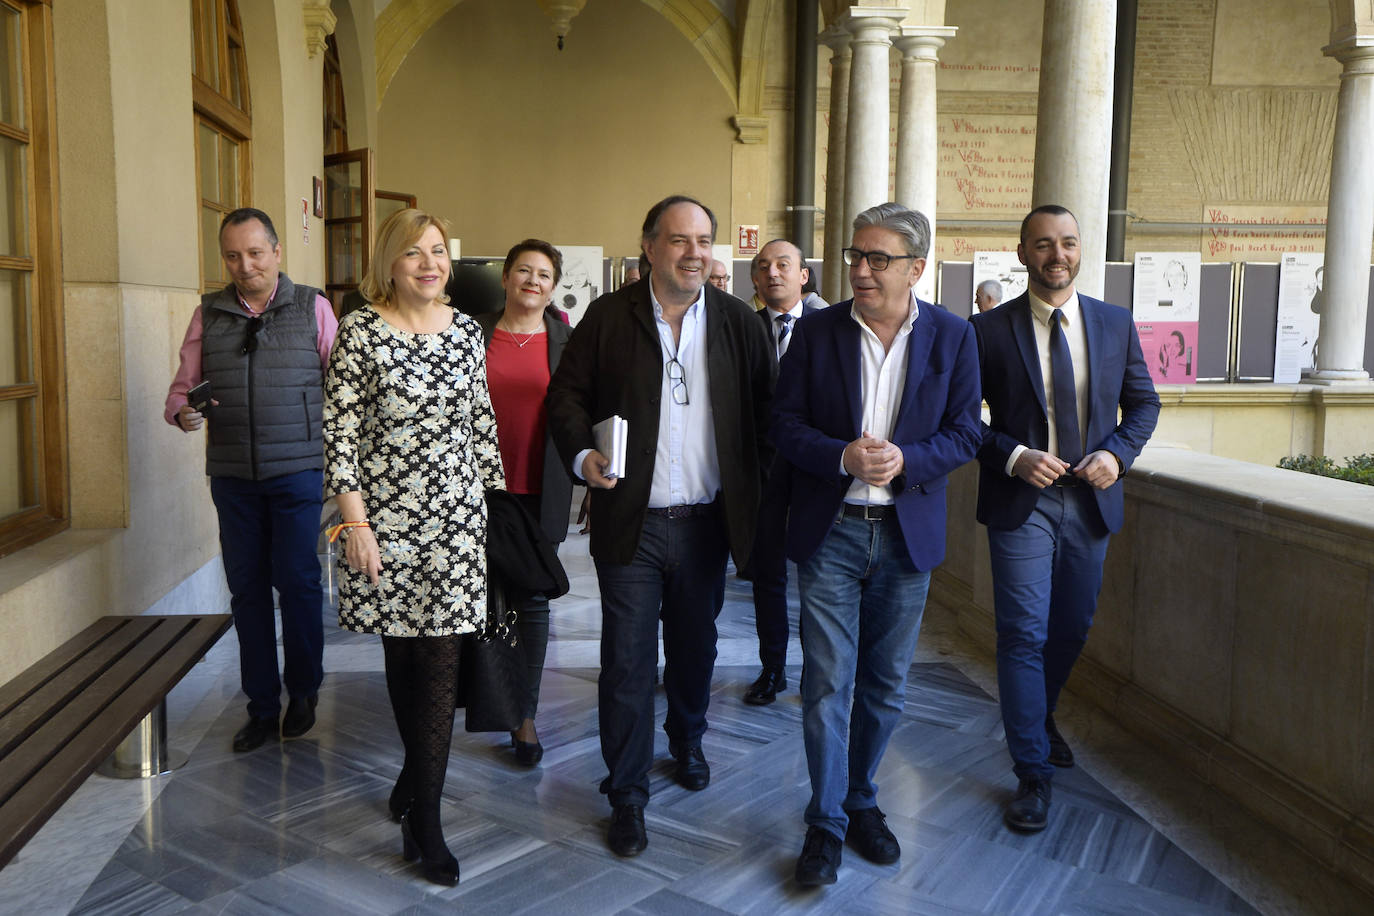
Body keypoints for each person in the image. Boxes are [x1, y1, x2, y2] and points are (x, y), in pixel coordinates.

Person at [546, 195, 774, 858]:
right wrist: (582, 454)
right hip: (630, 523)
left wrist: (751, 502)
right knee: (626, 661)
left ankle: (688, 736)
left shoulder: (736, 321)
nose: (695, 252)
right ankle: (627, 793)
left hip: (706, 523)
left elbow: (767, 419)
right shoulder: (608, 317)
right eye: (679, 240)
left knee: (696, 648)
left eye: (704, 240)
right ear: (649, 247)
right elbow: (566, 397)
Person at [772, 204, 982, 886]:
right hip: (831, 530)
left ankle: (862, 798)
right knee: (828, 681)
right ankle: (826, 821)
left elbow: (965, 433)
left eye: (877, 259)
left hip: (904, 532)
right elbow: (784, 424)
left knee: (885, 685)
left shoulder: (953, 337)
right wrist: (842, 457)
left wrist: (907, 460)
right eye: (855, 257)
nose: (859, 270)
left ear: (916, 268)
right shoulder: (817, 332)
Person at [323, 208, 505, 886]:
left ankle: (423, 817)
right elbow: (339, 436)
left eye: (438, 252)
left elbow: (480, 427)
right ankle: (413, 778)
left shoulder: (465, 332)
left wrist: (494, 512)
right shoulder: (362, 331)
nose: (429, 264)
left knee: (440, 661)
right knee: (403, 654)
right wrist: (355, 526)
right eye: (413, 253)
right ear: (389, 264)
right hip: (386, 524)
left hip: (457, 525)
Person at [970, 204, 1159, 834]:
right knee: (1023, 632)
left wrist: (1117, 453)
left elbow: (1143, 404)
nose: (1058, 255)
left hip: (1090, 499)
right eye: (1045, 244)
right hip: (1023, 500)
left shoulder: (1113, 323)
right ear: (1022, 252)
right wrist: (1015, 455)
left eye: (1070, 243)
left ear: (1082, 252)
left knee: (1072, 627)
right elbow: (963, 421)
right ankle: (1032, 773)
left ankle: (1039, 714)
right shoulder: (988, 330)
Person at [164, 207, 337, 754]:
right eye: (233, 256)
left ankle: (304, 690)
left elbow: (344, 384)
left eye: (255, 253)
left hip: (299, 470)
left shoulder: (314, 307)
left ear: (277, 252)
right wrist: (182, 413)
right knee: (247, 591)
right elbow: (181, 388)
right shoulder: (207, 314)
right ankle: (261, 705)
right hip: (234, 476)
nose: (245, 266)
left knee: (299, 579)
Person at [476, 239, 576, 767]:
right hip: (476, 491)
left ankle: (524, 717)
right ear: (506, 278)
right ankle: (481, 701)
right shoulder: (470, 332)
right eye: (522, 271)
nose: (532, 281)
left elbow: (584, 412)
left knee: (531, 604)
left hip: (541, 490)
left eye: (542, 274)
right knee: (481, 602)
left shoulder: (566, 340)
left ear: (553, 286)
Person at [742, 239, 823, 707]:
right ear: (755, 279)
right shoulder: (744, 327)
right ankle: (772, 668)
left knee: (818, 577)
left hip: (816, 473)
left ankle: (817, 670)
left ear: (803, 276)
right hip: (761, 474)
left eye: (783, 265)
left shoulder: (831, 326)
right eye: (763, 267)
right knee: (768, 578)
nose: (773, 273)